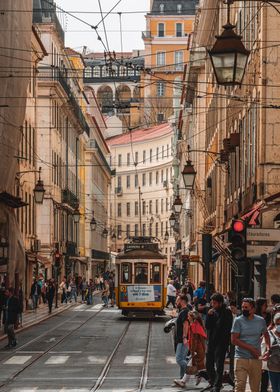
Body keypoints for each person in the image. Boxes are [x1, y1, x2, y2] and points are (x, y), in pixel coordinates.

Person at [231, 297, 271, 392]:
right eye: (243, 307)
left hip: (256, 359)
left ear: (253, 309)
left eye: (246, 307)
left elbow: (266, 335)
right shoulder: (238, 320)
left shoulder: (260, 320)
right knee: (240, 386)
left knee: (255, 387)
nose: (244, 309)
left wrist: (268, 349)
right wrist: (251, 349)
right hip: (241, 357)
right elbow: (234, 340)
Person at [205, 292, 233, 392]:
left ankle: (217, 385)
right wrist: (209, 316)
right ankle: (214, 382)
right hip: (211, 342)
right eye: (212, 303)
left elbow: (225, 327)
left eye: (215, 303)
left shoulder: (226, 312)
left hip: (221, 343)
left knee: (219, 364)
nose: (213, 305)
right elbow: (207, 326)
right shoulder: (211, 312)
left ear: (220, 303)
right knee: (208, 364)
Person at [173, 294, 190, 385]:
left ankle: (193, 370)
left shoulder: (185, 312)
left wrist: (184, 337)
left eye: (177, 300)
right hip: (180, 339)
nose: (176, 301)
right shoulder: (182, 311)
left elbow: (186, 324)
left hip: (182, 340)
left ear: (182, 301)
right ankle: (182, 380)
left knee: (179, 359)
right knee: (182, 358)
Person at [256, 297, 271, 392]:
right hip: (256, 343)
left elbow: (271, 325)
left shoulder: (268, 315)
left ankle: (263, 389)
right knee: (258, 367)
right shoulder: (255, 316)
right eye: (265, 305)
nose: (267, 306)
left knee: (264, 366)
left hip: (265, 342)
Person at [267, 313, 280, 392]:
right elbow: (265, 347)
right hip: (273, 366)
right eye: (278, 323)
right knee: (275, 388)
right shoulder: (269, 333)